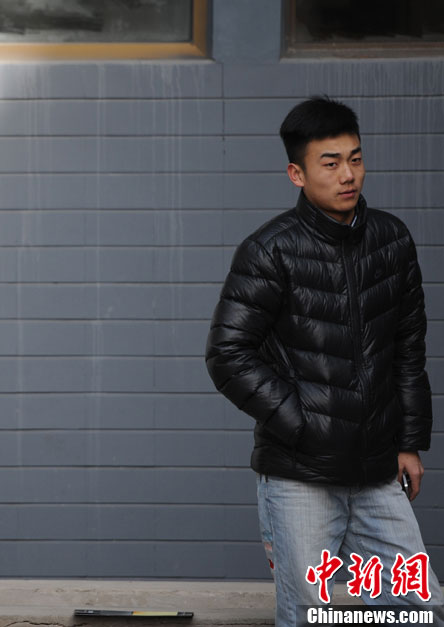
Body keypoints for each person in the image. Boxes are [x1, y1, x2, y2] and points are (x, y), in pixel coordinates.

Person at [206, 96, 443, 625]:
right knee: (311, 613)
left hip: (379, 471)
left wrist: (409, 441)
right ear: (297, 172)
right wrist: (304, 424)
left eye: (355, 159)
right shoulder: (269, 251)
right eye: (330, 163)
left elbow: (408, 349)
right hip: (300, 477)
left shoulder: (392, 239)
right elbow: (227, 353)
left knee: (418, 607)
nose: (347, 175)